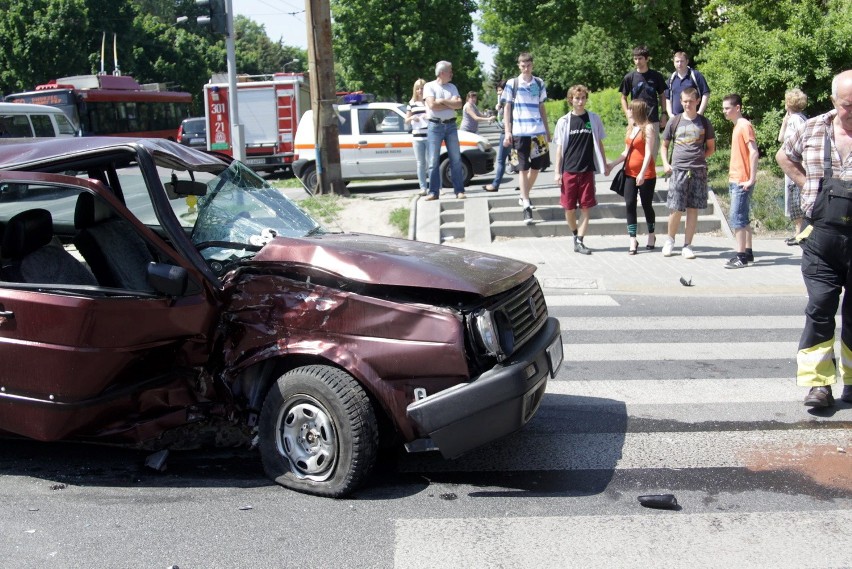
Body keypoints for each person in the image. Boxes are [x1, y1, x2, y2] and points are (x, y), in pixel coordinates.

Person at [775, 69, 852, 408]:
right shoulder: (812, 127)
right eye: (848, 104)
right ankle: (819, 385)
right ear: (834, 101)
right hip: (820, 236)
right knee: (820, 307)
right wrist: (807, 183)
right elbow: (783, 156)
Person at [659, 87, 716, 259]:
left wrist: (699, 159)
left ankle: (688, 245)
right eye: (684, 101)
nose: (687, 104)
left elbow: (711, 148)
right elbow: (664, 145)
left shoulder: (704, 122)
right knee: (676, 208)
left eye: (690, 101)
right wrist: (665, 163)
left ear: (697, 101)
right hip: (678, 170)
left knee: (692, 209)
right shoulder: (674, 121)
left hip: (698, 171)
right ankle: (670, 240)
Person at [552, 85, 608, 255]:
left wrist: (604, 164)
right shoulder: (564, 121)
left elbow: (599, 143)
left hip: (587, 171)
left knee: (586, 208)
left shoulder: (593, 118)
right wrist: (557, 172)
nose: (580, 101)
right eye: (577, 98)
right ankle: (575, 234)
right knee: (569, 209)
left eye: (583, 98)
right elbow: (560, 149)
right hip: (569, 170)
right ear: (571, 100)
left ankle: (580, 241)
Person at [504, 52, 550, 224]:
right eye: (522, 65)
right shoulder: (512, 83)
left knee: (537, 167)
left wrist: (547, 130)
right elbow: (507, 108)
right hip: (519, 132)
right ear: (518, 65)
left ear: (532, 64)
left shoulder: (539, 83)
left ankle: (523, 194)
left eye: (528, 64)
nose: (525, 68)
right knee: (522, 168)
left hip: (537, 131)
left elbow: (541, 107)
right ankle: (526, 204)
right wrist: (508, 131)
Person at [609, 99, 657, 254]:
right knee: (629, 203)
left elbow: (649, 153)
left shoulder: (648, 128)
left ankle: (651, 235)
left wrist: (642, 172)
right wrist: (612, 164)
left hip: (646, 174)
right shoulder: (630, 128)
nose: (628, 111)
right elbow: (626, 151)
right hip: (629, 173)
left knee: (646, 204)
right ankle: (632, 239)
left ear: (637, 111)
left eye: (630, 109)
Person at [721, 93, 759, 269]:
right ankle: (748, 252)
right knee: (743, 218)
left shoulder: (744, 125)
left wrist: (751, 178)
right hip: (736, 178)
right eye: (723, 108)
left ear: (737, 108)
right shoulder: (737, 126)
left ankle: (741, 256)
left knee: (737, 218)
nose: (724, 111)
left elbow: (753, 152)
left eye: (727, 108)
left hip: (742, 180)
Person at [423, 61, 465, 200]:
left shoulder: (452, 86)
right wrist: (449, 103)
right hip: (435, 126)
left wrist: (442, 101)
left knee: (456, 159)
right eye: (450, 71)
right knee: (433, 161)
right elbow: (432, 105)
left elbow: (459, 104)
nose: (452, 73)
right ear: (442, 73)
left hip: (451, 126)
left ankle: (459, 191)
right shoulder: (429, 86)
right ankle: (433, 192)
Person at [620, 45, 668, 150]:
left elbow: (662, 95)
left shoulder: (656, 76)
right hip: (635, 119)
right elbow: (623, 98)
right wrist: (628, 115)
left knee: (652, 151)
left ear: (647, 59)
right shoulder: (629, 77)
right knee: (634, 150)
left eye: (640, 58)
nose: (637, 61)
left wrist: (664, 114)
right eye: (635, 59)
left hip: (652, 119)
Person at [777, 88, 808, 244]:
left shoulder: (797, 119)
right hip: (790, 164)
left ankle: (800, 233)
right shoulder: (792, 119)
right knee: (793, 198)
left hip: (795, 164)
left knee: (796, 199)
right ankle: (798, 232)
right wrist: (784, 122)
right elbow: (781, 138)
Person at [405, 78, 430, 197]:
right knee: (420, 163)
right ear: (415, 90)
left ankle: (437, 187)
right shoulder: (411, 103)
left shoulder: (429, 101)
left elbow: (435, 115)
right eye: (418, 88)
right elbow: (406, 120)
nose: (420, 91)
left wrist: (427, 116)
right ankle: (423, 187)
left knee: (432, 163)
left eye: (422, 88)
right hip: (417, 137)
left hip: (430, 136)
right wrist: (412, 118)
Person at [665, 51, 711, 116]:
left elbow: (706, 93)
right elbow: (667, 98)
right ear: (674, 63)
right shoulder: (671, 79)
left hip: (694, 117)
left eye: (682, 61)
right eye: (677, 61)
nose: (679, 64)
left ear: (687, 61)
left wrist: (700, 112)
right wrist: (670, 115)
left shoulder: (695, 75)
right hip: (676, 118)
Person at [483, 81, 508, 192]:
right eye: (497, 91)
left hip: (507, 132)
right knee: (516, 159)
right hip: (507, 131)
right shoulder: (504, 101)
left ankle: (495, 184)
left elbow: (507, 119)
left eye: (500, 90)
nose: (498, 93)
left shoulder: (507, 102)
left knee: (501, 160)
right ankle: (523, 186)